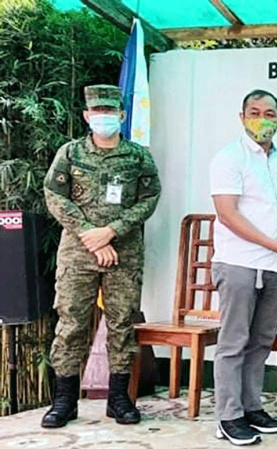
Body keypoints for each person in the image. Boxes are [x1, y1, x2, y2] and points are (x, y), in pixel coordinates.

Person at [41, 84, 161, 428]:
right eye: (97, 112)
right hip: (78, 253)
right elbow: (55, 195)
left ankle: (119, 398)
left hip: (124, 252)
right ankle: (64, 401)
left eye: (110, 112)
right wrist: (91, 236)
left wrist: (112, 231)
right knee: (71, 323)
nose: (103, 118)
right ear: (86, 116)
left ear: (122, 116)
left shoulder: (139, 157)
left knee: (122, 322)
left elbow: (149, 199)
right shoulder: (70, 153)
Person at [210, 89, 277, 446]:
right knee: (233, 341)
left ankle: (251, 407)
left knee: (261, 340)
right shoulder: (229, 158)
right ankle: (228, 416)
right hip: (238, 262)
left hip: (275, 263)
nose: (262, 119)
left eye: (269, 113)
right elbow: (227, 214)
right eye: (254, 112)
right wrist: (272, 243)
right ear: (241, 116)